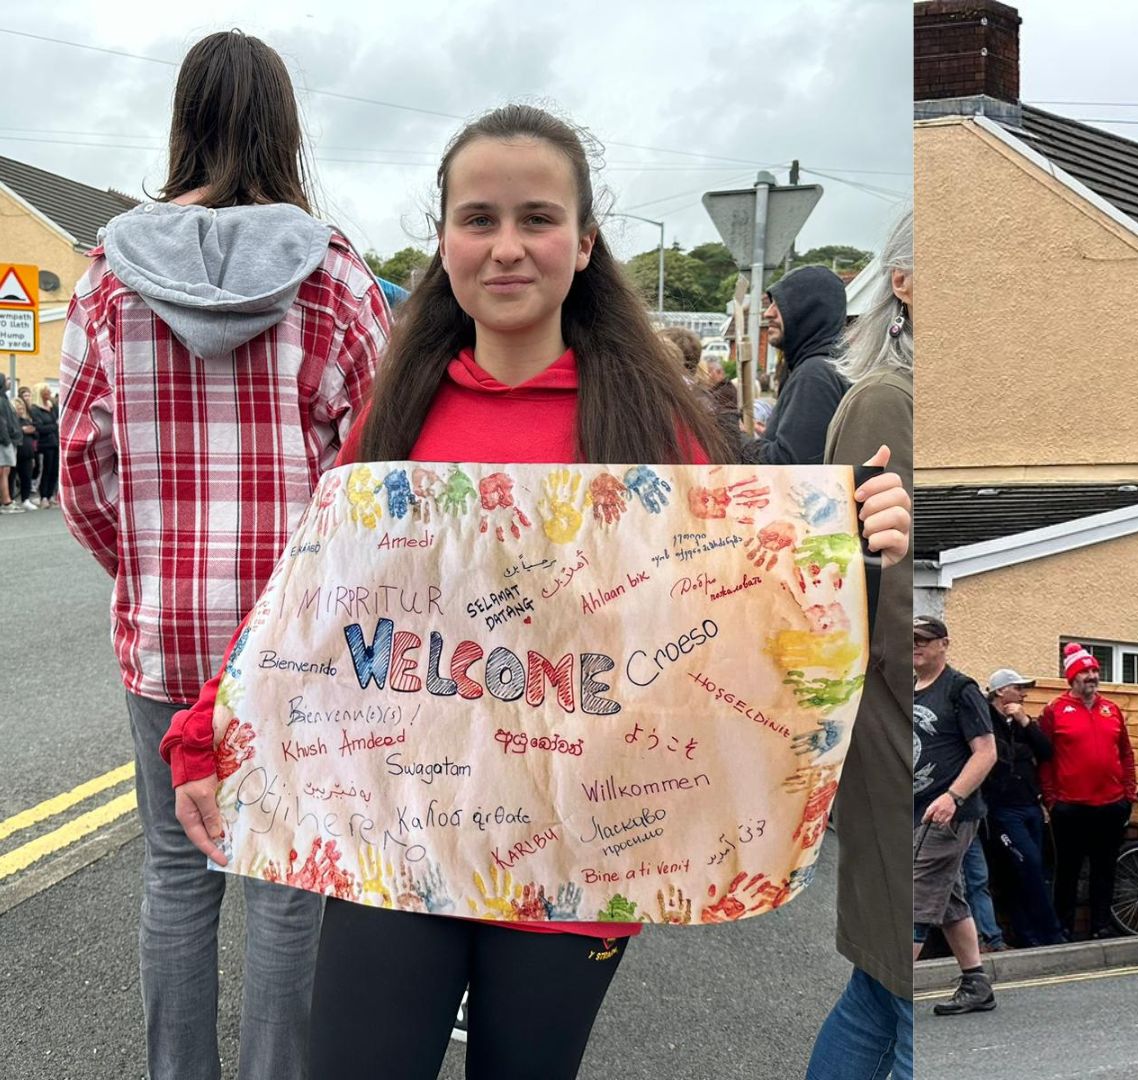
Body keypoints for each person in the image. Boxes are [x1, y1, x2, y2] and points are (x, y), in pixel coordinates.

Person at [161, 103, 908, 1077]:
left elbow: (737, 611)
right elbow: (314, 597)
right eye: (479, 219)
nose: (506, 246)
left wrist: (855, 545)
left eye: (537, 219)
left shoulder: (650, 424)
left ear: (585, 243)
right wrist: (207, 732)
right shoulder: (398, 413)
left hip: (580, 846)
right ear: (443, 242)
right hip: (401, 830)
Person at [57, 31, 388, 1080]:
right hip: (300, 647)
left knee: (174, 873)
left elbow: (82, 473)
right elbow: (371, 483)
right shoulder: (337, 279)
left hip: (165, 639)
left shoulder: (107, 280)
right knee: (286, 883)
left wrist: (148, 573)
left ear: (183, 121)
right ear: (285, 129)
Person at [810, 201, 915, 1076]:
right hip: (894, 732)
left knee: (882, 995)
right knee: (896, 991)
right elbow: (864, 592)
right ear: (906, 284)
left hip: (907, 734)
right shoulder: (886, 401)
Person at [910, 617, 999, 1020]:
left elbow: (986, 753)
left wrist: (953, 796)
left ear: (944, 644)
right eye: (910, 639)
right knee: (949, 901)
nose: (915, 645)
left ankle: (886, 995)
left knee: (913, 900)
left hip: (948, 815)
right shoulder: (910, 688)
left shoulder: (961, 690)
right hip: (914, 813)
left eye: (923, 639)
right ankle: (976, 984)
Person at [1039, 643, 1137, 940]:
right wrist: (1051, 799)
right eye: (1085, 672)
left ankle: (1101, 926)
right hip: (1070, 805)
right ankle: (1063, 928)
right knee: (1067, 871)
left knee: (1104, 869)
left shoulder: (1112, 709)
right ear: (1072, 678)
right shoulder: (1055, 710)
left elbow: (1126, 753)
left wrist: (1128, 794)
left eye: (1095, 670)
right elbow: (1045, 758)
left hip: (1111, 803)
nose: (1092, 676)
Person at [979, 668, 1066, 950]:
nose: (1023, 694)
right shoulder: (985, 719)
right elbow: (995, 757)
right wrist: (1023, 751)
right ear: (1000, 691)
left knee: (1031, 869)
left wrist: (1025, 722)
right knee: (1026, 864)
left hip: (1030, 804)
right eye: (1018, 688)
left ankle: (1030, 934)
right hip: (1002, 809)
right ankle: (1048, 932)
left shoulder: (1021, 722)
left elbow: (1046, 751)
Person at [742, 264, 849, 465]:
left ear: (809, 312)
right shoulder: (829, 365)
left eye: (781, 305)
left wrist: (738, 439)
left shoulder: (814, 375)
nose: (768, 313)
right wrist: (772, 435)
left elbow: (789, 467)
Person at [28, 385, 58, 505]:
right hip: (44, 444)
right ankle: (43, 496)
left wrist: (53, 426)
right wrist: (55, 426)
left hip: (55, 442)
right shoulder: (35, 409)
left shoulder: (52, 406)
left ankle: (50, 495)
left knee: (54, 470)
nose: (50, 393)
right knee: (45, 470)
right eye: (47, 391)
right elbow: (39, 427)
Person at [0, 385, 20, 513]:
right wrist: (7, 440)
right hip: (4, 441)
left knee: (5, 470)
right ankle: (6, 502)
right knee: (3, 471)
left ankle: (7, 500)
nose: (8, 382)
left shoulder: (4, 399)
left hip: (8, 440)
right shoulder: (1, 401)